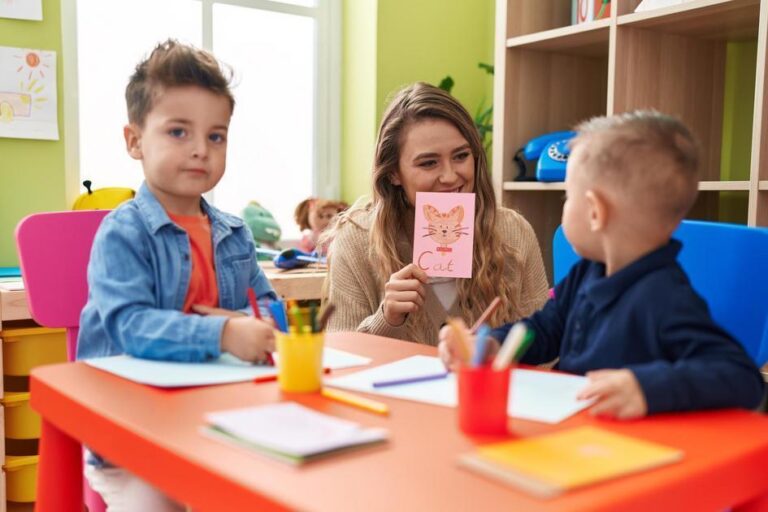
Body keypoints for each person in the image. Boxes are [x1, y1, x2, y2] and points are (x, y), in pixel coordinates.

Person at [439, 110, 765, 419]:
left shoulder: (664, 297)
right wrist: (495, 342)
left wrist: (645, 388)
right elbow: (544, 329)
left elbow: (741, 377)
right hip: (570, 428)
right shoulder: (588, 271)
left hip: (622, 453)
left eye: (568, 197)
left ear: (595, 212)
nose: (565, 208)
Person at [77, 39, 277, 510]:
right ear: (134, 141)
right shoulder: (122, 232)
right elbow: (131, 326)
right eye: (178, 132)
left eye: (216, 136)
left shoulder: (234, 233)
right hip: (131, 436)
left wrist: (264, 324)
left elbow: (268, 306)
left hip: (216, 421)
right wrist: (224, 331)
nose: (200, 151)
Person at [323, 82, 550, 345]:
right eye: (429, 163)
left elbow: (544, 351)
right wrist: (387, 319)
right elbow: (342, 361)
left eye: (461, 156)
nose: (451, 176)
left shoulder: (513, 233)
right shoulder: (357, 240)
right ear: (394, 173)